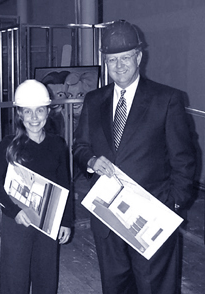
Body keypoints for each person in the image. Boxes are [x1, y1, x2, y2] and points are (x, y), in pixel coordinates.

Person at [73, 20, 196, 294]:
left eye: (125, 57)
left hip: (150, 220)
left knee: (155, 288)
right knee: (115, 287)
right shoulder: (94, 101)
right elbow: (80, 147)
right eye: (112, 59)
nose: (119, 66)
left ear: (139, 56)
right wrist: (91, 162)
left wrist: (172, 206)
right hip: (108, 218)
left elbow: (184, 160)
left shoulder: (166, 100)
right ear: (105, 61)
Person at [0, 79, 73, 294]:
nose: (34, 118)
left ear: (48, 112)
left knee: (46, 274)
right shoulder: (9, 144)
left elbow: (65, 183)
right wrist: (15, 210)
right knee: (14, 275)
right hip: (18, 220)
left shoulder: (57, 144)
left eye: (40, 111)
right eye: (27, 112)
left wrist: (66, 221)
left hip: (48, 220)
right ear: (19, 114)